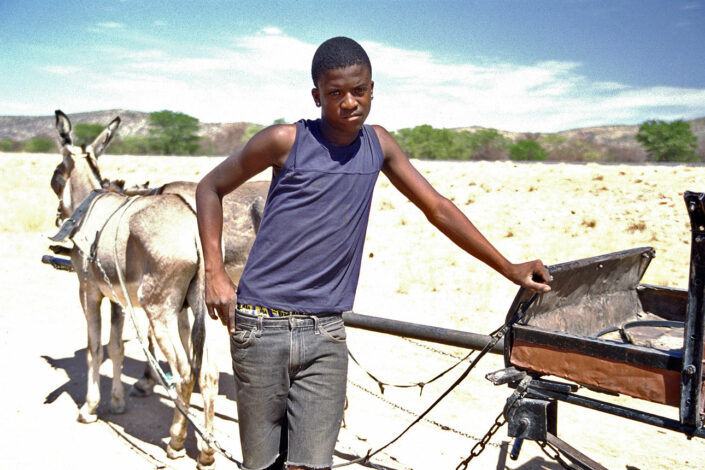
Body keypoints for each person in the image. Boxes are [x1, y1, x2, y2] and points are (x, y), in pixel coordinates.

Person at [196, 36, 551, 470]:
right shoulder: (284, 140)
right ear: (317, 95)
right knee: (263, 465)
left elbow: (437, 208)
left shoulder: (378, 145)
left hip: (327, 332)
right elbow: (209, 188)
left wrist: (509, 268)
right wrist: (215, 273)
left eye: (358, 91)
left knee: (311, 464)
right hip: (260, 326)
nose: (349, 103)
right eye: (335, 93)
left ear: (372, 89)